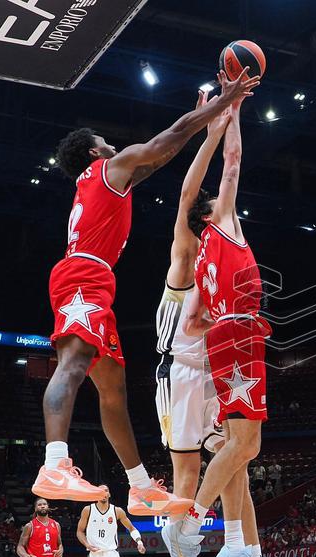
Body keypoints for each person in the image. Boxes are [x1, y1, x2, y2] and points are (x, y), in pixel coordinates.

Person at [32, 70, 259, 512]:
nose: (114, 144)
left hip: (94, 278)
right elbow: (164, 140)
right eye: (107, 141)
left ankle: (138, 485)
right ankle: (54, 462)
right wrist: (221, 103)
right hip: (81, 276)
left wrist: (205, 124)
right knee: (75, 362)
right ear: (95, 151)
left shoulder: (108, 181)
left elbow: (161, 157)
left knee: (113, 389)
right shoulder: (106, 168)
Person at [155, 97, 292, 557]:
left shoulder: (204, 262)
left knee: (240, 458)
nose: (226, 202)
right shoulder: (201, 239)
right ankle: (188, 556)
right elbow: (217, 175)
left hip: (218, 355)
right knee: (223, 457)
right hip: (184, 372)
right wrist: (227, 115)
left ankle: (241, 555)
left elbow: (195, 325)